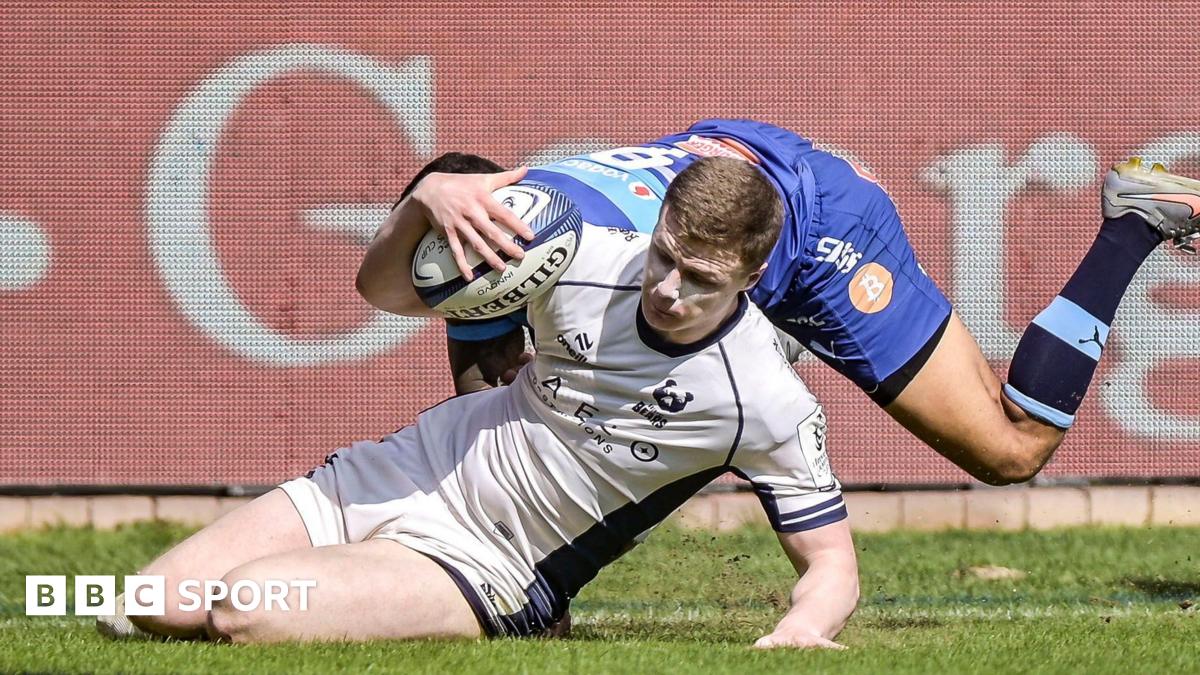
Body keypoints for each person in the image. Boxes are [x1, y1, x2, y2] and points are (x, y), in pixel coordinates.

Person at [99, 156, 860, 648]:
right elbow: (384, 292)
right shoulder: (583, 254)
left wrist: (804, 625)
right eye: (665, 255)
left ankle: (400, 595)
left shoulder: (762, 398)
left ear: (753, 274)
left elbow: (832, 562)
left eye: (700, 277)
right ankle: (354, 582)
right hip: (409, 468)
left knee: (242, 608)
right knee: (146, 602)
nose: (665, 287)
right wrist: (425, 201)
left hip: (489, 562)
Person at [414, 119, 1200, 485]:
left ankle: (1131, 224)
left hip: (820, 227)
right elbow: (493, 408)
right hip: (731, 194)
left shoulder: (571, 253)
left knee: (1010, 446)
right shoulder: (490, 219)